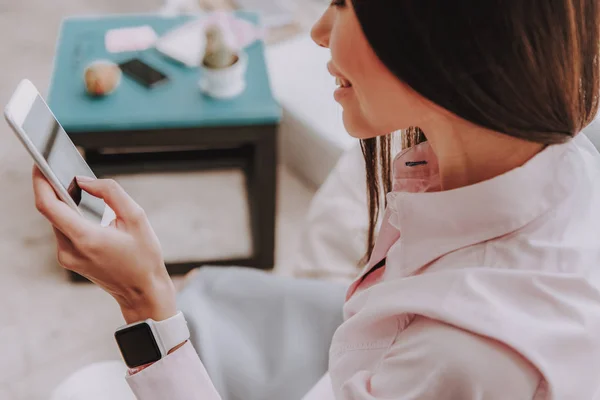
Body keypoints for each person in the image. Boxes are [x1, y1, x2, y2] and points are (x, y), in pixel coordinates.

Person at [34, 0, 600, 399]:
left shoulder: (467, 356)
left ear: (450, 40)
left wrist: (143, 300)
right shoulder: (557, 163)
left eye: (344, 1)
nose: (319, 30)